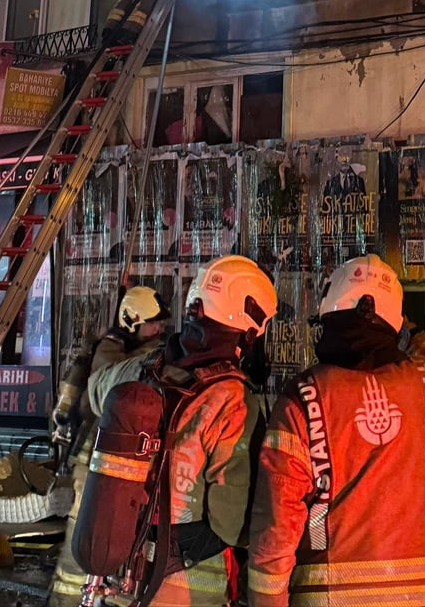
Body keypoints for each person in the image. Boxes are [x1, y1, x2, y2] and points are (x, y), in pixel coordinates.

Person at [247, 253, 425, 607]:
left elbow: (276, 527)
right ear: (394, 324)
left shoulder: (304, 396)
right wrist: (415, 334)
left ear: (328, 314)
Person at [87, 254, 278, 607]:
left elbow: (97, 390)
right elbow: (231, 521)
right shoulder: (232, 399)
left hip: (117, 573)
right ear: (248, 330)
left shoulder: (144, 367)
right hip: (186, 587)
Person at [48, 284, 168, 607]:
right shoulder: (110, 355)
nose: (160, 328)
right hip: (92, 468)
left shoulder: (122, 349)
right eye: (153, 322)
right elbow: (124, 383)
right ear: (133, 321)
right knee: (81, 549)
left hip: (109, 469)